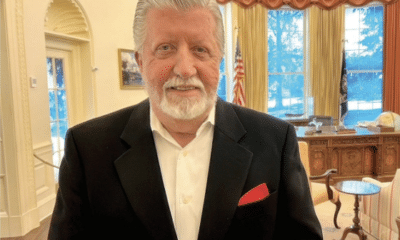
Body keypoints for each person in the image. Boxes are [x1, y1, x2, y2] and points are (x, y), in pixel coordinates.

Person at [48, 0, 323, 239]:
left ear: (219, 60)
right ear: (141, 61)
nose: (184, 68)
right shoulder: (87, 148)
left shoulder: (276, 141)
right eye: (165, 48)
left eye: (200, 50)